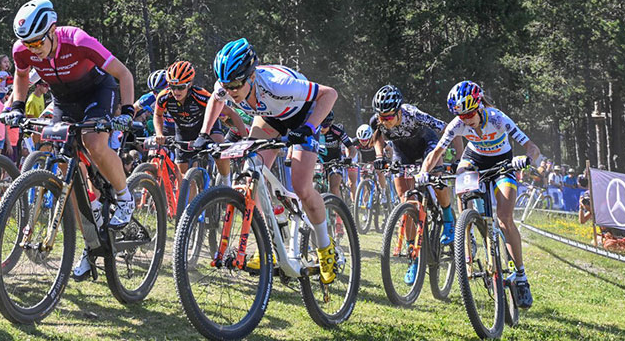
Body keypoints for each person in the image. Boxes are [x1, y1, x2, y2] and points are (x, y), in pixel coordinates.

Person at [1, 0, 137, 281]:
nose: (34, 49)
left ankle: (125, 197)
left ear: (52, 30)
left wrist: (126, 111)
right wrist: (17, 106)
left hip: (98, 91)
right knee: (64, 169)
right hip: (63, 99)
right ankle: (91, 240)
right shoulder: (22, 50)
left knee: (93, 141)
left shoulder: (78, 40)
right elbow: (21, 75)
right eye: (29, 44)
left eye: (39, 42)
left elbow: (123, 73)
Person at [195, 38, 341, 285]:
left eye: (236, 86)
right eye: (226, 85)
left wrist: (308, 127)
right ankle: (270, 244)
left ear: (251, 76)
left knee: (302, 187)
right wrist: (203, 133)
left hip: (302, 114)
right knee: (251, 170)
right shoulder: (228, 84)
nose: (231, 92)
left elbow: (329, 94)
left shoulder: (278, 84)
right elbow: (216, 100)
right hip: (270, 118)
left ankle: (326, 249)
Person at [419, 80, 541, 310]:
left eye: (470, 114)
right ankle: (467, 231)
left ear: (479, 105)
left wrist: (526, 160)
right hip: (473, 159)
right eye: (461, 116)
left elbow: (532, 147)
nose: (467, 120)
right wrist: (423, 173)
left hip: (503, 163)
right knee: (460, 174)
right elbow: (437, 152)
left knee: (504, 219)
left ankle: (521, 275)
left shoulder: (498, 118)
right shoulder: (457, 124)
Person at [368, 83, 458, 283]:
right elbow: (377, 138)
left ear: (399, 111)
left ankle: (447, 216)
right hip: (403, 152)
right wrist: (379, 156)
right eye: (381, 117)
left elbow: (448, 128)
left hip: (427, 145)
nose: (385, 121)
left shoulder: (413, 114)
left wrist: (458, 157)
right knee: (405, 202)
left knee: (435, 177)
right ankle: (414, 257)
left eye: (389, 116)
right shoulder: (378, 120)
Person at [153, 60, 248, 185]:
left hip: (206, 127)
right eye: (172, 87)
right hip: (183, 130)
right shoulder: (164, 96)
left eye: (181, 87)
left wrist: (246, 138)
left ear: (190, 84)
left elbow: (231, 113)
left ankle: (226, 183)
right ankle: (189, 204)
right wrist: (159, 133)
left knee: (220, 149)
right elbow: (157, 115)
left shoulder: (201, 95)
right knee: (183, 176)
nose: (176, 92)